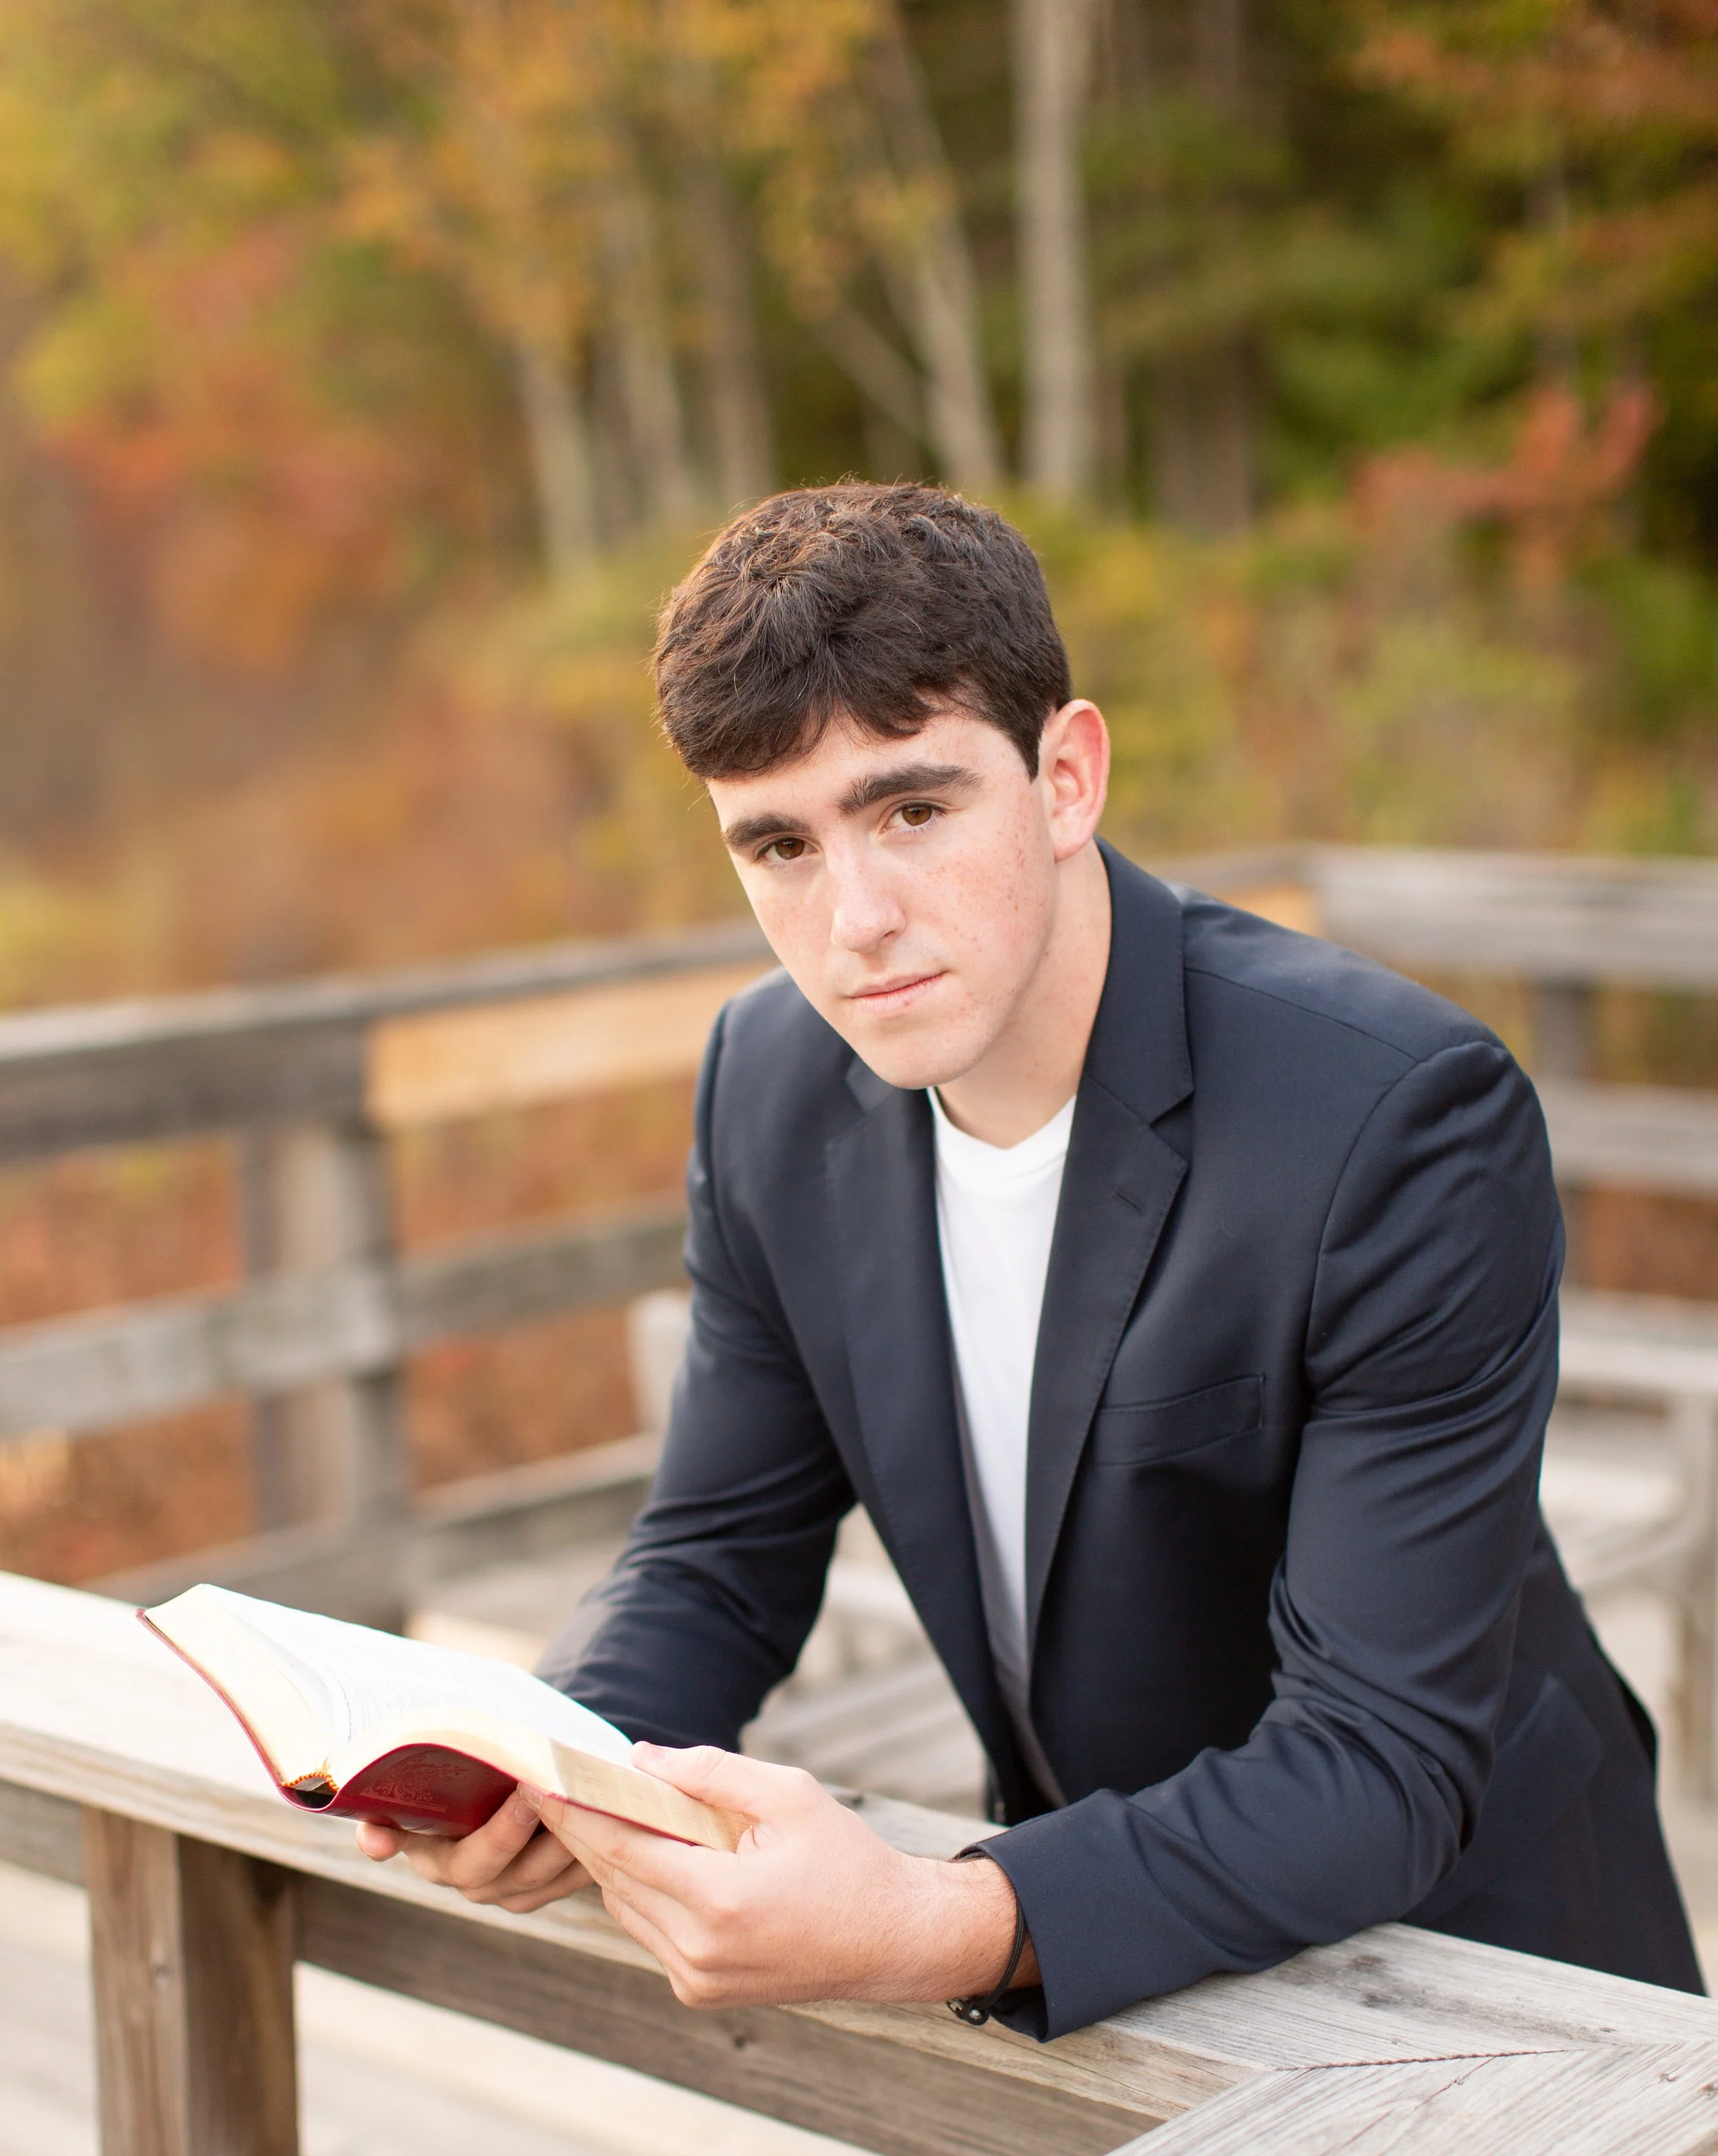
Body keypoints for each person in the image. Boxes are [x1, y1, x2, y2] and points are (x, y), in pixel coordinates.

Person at [357, 481, 1701, 2037]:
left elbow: (1377, 1755)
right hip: (1109, 1946)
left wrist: (931, 1917)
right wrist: (550, 1760)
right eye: (777, 845)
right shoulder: (768, 1082)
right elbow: (717, 1551)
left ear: (1065, 779)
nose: (852, 916)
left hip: (1485, 1978)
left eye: (911, 810)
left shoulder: (1392, 1123)